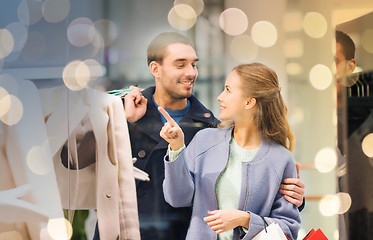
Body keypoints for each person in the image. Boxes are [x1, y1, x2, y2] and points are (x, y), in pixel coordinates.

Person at [122, 32, 304, 239]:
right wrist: (128, 124)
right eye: (181, 65)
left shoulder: (208, 127)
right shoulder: (125, 112)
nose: (191, 72)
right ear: (155, 69)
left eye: (194, 64)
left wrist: (289, 198)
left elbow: (285, 222)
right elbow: (86, 164)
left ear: (249, 102)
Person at [160, 63, 301, 240]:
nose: (220, 97)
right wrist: (176, 147)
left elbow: (289, 228)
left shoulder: (281, 159)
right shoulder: (204, 141)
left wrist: (246, 219)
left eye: (228, 90)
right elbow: (177, 198)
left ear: (249, 102)